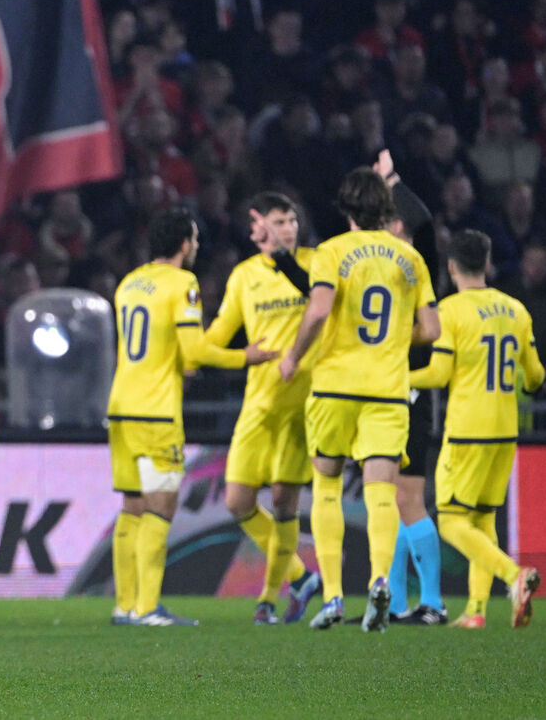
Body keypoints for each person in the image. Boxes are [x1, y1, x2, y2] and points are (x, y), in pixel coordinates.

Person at [278, 166, 439, 632]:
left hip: (334, 387)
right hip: (388, 392)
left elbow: (320, 308)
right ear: (385, 210)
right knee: (381, 493)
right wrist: (389, 339)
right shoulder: (410, 259)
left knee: (326, 488)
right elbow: (430, 330)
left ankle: (330, 597)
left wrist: (293, 357)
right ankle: (379, 582)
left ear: (347, 209)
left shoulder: (331, 251)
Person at [109, 206, 277, 627]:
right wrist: (246, 356)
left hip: (121, 406)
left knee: (132, 506)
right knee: (160, 507)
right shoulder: (182, 283)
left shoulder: (130, 282)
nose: (197, 246)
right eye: (196, 239)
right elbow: (196, 350)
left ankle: (125, 605)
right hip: (156, 410)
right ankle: (148, 609)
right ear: (184, 244)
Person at [409, 230, 544, 629]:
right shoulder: (516, 310)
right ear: (486, 264)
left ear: (451, 267)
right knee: (483, 521)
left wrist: (398, 375)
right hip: (505, 430)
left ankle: (513, 576)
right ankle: (476, 610)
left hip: (468, 429)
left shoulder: (450, 311)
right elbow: (534, 377)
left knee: (451, 521)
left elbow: (438, 373)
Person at [201, 192, 321, 625]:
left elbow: (325, 307)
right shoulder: (245, 276)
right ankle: (301, 577)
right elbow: (221, 331)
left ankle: (268, 601)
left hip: (302, 403)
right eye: (276, 221)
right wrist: (188, 350)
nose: (286, 227)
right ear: (258, 231)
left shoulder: (315, 263)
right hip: (259, 403)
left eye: (290, 219)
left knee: (286, 504)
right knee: (237, 502)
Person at [375, 150, 447, 625]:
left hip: (410, 393)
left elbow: (423, 219)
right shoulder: (384, 266)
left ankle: (434, 603)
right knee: (393, 498)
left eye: (387, 221)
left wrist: (392, 181)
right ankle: (399, 604)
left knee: (408, 498)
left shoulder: (416, 258)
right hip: (385, 389)